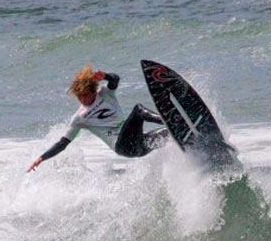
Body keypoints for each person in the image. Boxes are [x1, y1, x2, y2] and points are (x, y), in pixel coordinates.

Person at [27, 65, 167, 172]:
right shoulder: (79, 118)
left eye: (86, 95)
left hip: (140, 146)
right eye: (79, 96)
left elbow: (115, 79)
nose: (83, 99)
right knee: (138, 110)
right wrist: (41, 158)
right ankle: (167, 119)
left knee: (168, 134)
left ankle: (180, 134)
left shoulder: (105, 94)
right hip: (123, 146)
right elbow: (62, 144)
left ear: (94, 90)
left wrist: (105, 76)